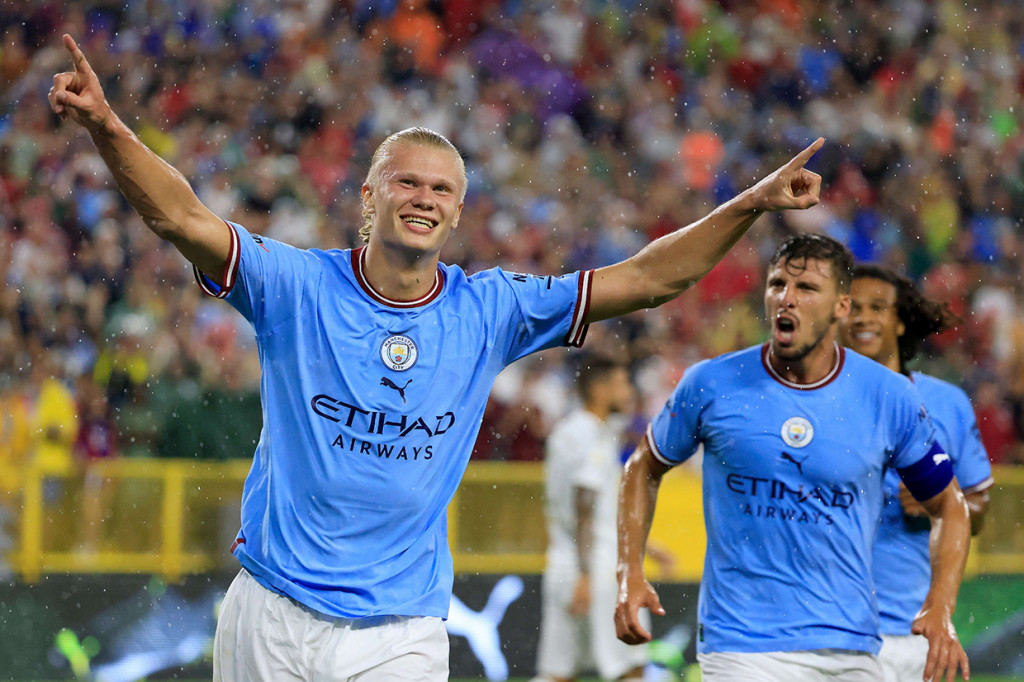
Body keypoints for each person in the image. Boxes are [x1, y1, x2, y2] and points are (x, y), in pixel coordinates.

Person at [50, 33, 825, 681]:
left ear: (457, 211)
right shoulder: (296, 287)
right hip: (272, 611)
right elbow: (180, 216)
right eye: (406, 182)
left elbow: (654, 278)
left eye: (441, 189)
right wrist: (107, 127)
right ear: (369, 195)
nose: (423, 197)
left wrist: (751, 202)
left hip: (400, 629)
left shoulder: (491, 309)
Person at [615, 234, 972, 682]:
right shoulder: (712, 383)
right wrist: (628, 569)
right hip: (742, 644)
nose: (787, 298)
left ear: (841, 307)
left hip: (852, 644)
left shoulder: (888, 395)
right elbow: (643, 466)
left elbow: (950, 505)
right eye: (777, 283)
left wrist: (940, 607)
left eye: (806, 289)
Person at [840, 264, 993, 682]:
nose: (862, 317)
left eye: (877, 307)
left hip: (913, 630)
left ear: (901, 322)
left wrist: (942, 502)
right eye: (852, 306)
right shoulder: (812, 402)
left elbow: (976, 509)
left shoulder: (948, 403)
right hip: (831, 629)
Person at [534, 356, 646, 682]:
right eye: (622, 384)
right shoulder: (589, 435)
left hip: (565, 562)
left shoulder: (571, 431)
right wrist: (587, 575)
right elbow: (586, 502)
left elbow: (592, 510)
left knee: (559, 671)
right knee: (630, 665)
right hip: (596, 567)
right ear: (598, 390)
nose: (629, 393)